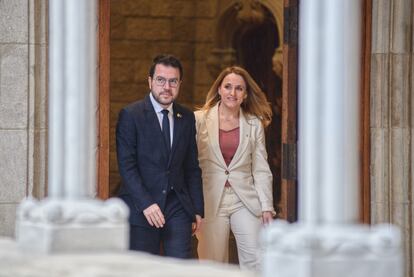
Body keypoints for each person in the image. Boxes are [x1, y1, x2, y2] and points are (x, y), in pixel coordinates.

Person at [116, 54, 204, 258]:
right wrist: (146, 203)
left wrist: (197, 209)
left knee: (180, 268)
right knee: (143, 270)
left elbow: (191, 167)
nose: (167, 87)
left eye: (173, 81)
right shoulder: (131, 115)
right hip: (141, 208)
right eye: (161, 80)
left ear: (180, 83)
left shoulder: (187, 117)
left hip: (177, 207)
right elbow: (127, 166)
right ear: (150, 81)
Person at [195, 66, 275, 270]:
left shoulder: (254, 123)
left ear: (245, 94)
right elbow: (190, 165)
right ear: (219, 90)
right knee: (212, 264)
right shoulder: (199, 120)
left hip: (244, 199)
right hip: (210, 199)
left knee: (256, 261)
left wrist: (266, 206)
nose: (233, 93)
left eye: (239, 88)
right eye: (228, 87)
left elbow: (261, 168)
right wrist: (192, 207)